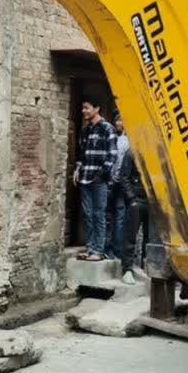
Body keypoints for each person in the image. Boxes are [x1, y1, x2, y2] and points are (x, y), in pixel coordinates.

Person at [73, 99, 116, 263]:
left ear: (97, 108)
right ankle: (90, 248)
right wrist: (77, 169)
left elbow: (112, 154)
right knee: (87, 215)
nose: (83, 111)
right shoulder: (85, 130)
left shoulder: (107, 128)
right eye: (82, 108)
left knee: (99, 214)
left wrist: (102, 173)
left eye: (87, 108)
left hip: (99, 180)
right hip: (84, 179)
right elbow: (81, 154)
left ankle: (99, 250)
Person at [107, 112, 139, 284]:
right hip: (126, 191)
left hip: (130, 191)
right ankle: (123, 262)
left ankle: (122, 254)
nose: (118, 123)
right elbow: (122, 171)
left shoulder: (128, 143)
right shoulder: (127, 147)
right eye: (117, 120)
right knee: (120, 223)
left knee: (119, 218)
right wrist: (132, 197)